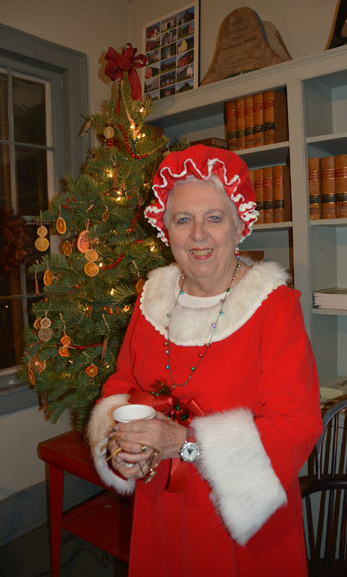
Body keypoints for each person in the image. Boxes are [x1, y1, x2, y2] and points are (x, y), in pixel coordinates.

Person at [88, 144, 322, 577]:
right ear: (166, 230)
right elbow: (121, 385)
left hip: (241, 522)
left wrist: (186, 443)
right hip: (160, 508)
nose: (198, 235)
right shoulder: (150, 301)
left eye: (214, 218)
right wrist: (119, 446)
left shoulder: (274, 306)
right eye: (183, 220)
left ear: (239, 226)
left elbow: (297, 424)